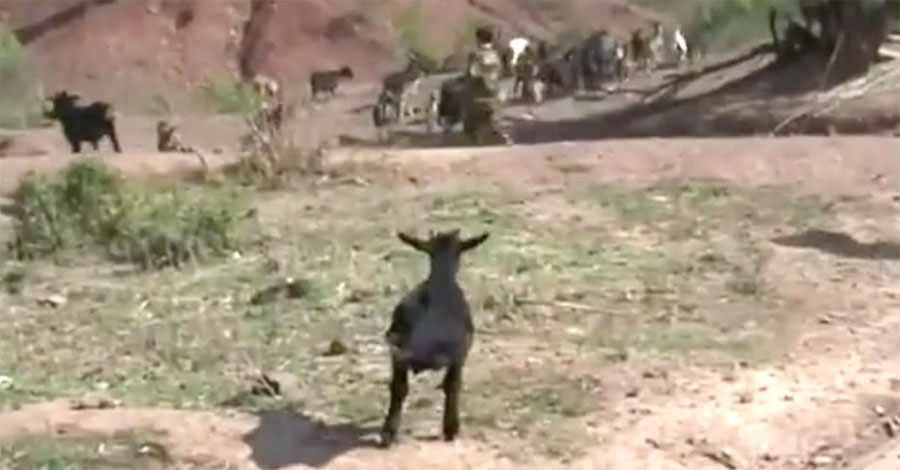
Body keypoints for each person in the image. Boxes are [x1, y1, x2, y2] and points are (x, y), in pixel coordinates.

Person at [463, 26, 512, 145]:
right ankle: (501, 137)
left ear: (479, 39)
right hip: (494, 91)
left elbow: (472, 73)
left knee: (472, 116)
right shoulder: (495, 55)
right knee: (495, 118)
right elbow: (501, 73)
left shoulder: (476, 55)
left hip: (479, 92)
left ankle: (477, 138)